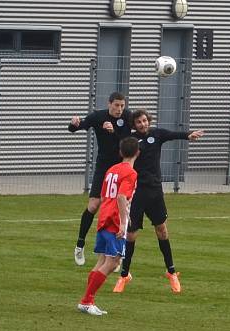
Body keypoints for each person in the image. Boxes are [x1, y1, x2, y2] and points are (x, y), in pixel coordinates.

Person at [113, 109, 204, 294]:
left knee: (161, 230)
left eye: (145, 120)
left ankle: (171, 273)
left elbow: (173, 134)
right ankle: (124, 275)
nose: (143, 124)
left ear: (149, 120)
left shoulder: (157, 134)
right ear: (134, 124)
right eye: (139, 122)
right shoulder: (130, 141)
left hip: (155, 192)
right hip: (136, 193)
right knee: (131, 235)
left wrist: (189, 135)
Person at [68, 92, 133, 266]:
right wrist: (73, 124)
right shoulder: (98, 116)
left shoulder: (128, 117)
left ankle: (118, 254)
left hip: (121, 169)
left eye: (122, 105)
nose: (119, 109)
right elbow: (77, 127)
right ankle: (80, 245)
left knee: (121, 209)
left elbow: (128, 142)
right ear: (109, 104)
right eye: (116, 105)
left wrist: (114, 132)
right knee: (94, 205)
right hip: (104, 168)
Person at [78, 137, 140, 315]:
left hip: (104, 216)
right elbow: (121, 197)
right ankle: (87, 300)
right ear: (137, 153)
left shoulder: (112, 169)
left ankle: (87, 300)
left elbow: (105, 196)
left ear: (121, 152)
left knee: (103, 260)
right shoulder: (130, 173)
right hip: (113, 220)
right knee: (112, 263)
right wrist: (122, 222)